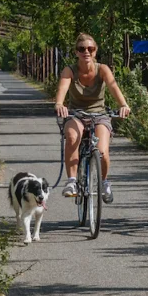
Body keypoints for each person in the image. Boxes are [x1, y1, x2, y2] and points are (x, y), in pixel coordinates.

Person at [54, 33, 131, 203]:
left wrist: (123, 105)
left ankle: (104, 183)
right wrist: (60, 104)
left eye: (90, 49)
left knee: (102, 151)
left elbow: (113, 86)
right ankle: (72, 181)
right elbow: (63, 88)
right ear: (76, 52)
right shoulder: (70, 71)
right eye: (82, 49)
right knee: (73, 136)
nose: (86, 52)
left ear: (95, 51)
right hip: (76, 114)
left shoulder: (102, 69)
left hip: (99, 115)